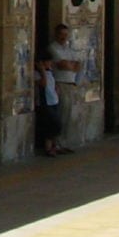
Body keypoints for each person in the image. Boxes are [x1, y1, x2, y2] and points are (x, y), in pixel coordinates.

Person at [46, 22, 84, 154]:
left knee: (68, 115)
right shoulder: (53, 48)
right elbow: (62, 65)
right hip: (60, 83)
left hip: (70, 84)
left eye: (65, 35)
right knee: (60, 115)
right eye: (61, 34)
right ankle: (55, 144)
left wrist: (71, 65)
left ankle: (62, 143)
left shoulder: (68, 49)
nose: (63, 37)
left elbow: (78, 65)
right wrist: (70, 65)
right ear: (56, 34)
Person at [34, 53, 62, 156]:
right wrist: (41, 70)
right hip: (44, 102)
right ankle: (48, 147)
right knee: (52, 124)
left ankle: (54, 145)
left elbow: (53, 84)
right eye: (47, 62)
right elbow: (43, 84)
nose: (50, 64)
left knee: (56, 123)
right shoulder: (36, 74)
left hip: (54, 100)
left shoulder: (50, 72)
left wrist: (57, 90)